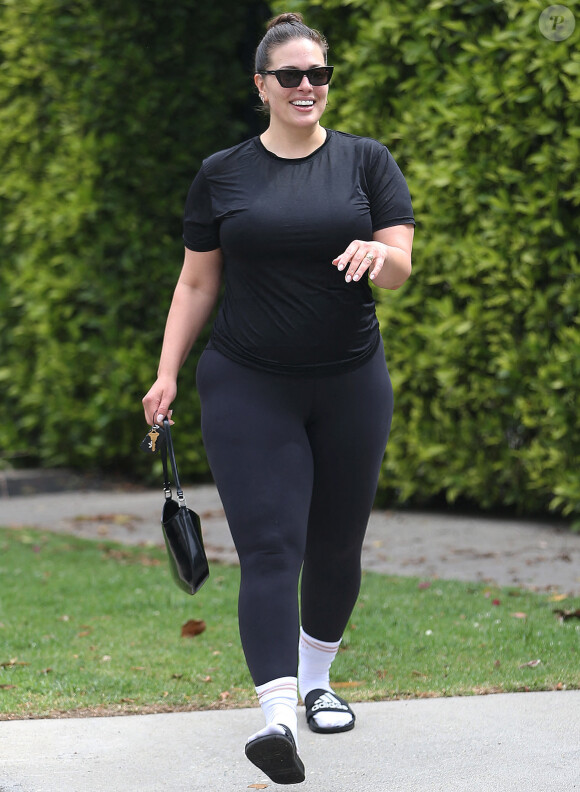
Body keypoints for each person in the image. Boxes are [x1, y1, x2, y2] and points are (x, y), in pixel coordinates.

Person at [142, 12, 414, 785]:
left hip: (351, 381)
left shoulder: (367, 162)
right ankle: (277, 717)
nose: (306, 87)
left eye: (318, 74)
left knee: (336, 546)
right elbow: (198, 279)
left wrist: (380, 254)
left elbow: (400, 265)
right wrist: (166, 373)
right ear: (261, 84)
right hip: (247, 382)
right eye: (290, 75)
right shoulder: (223, 172)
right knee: (269, 548)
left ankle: (320, 678)